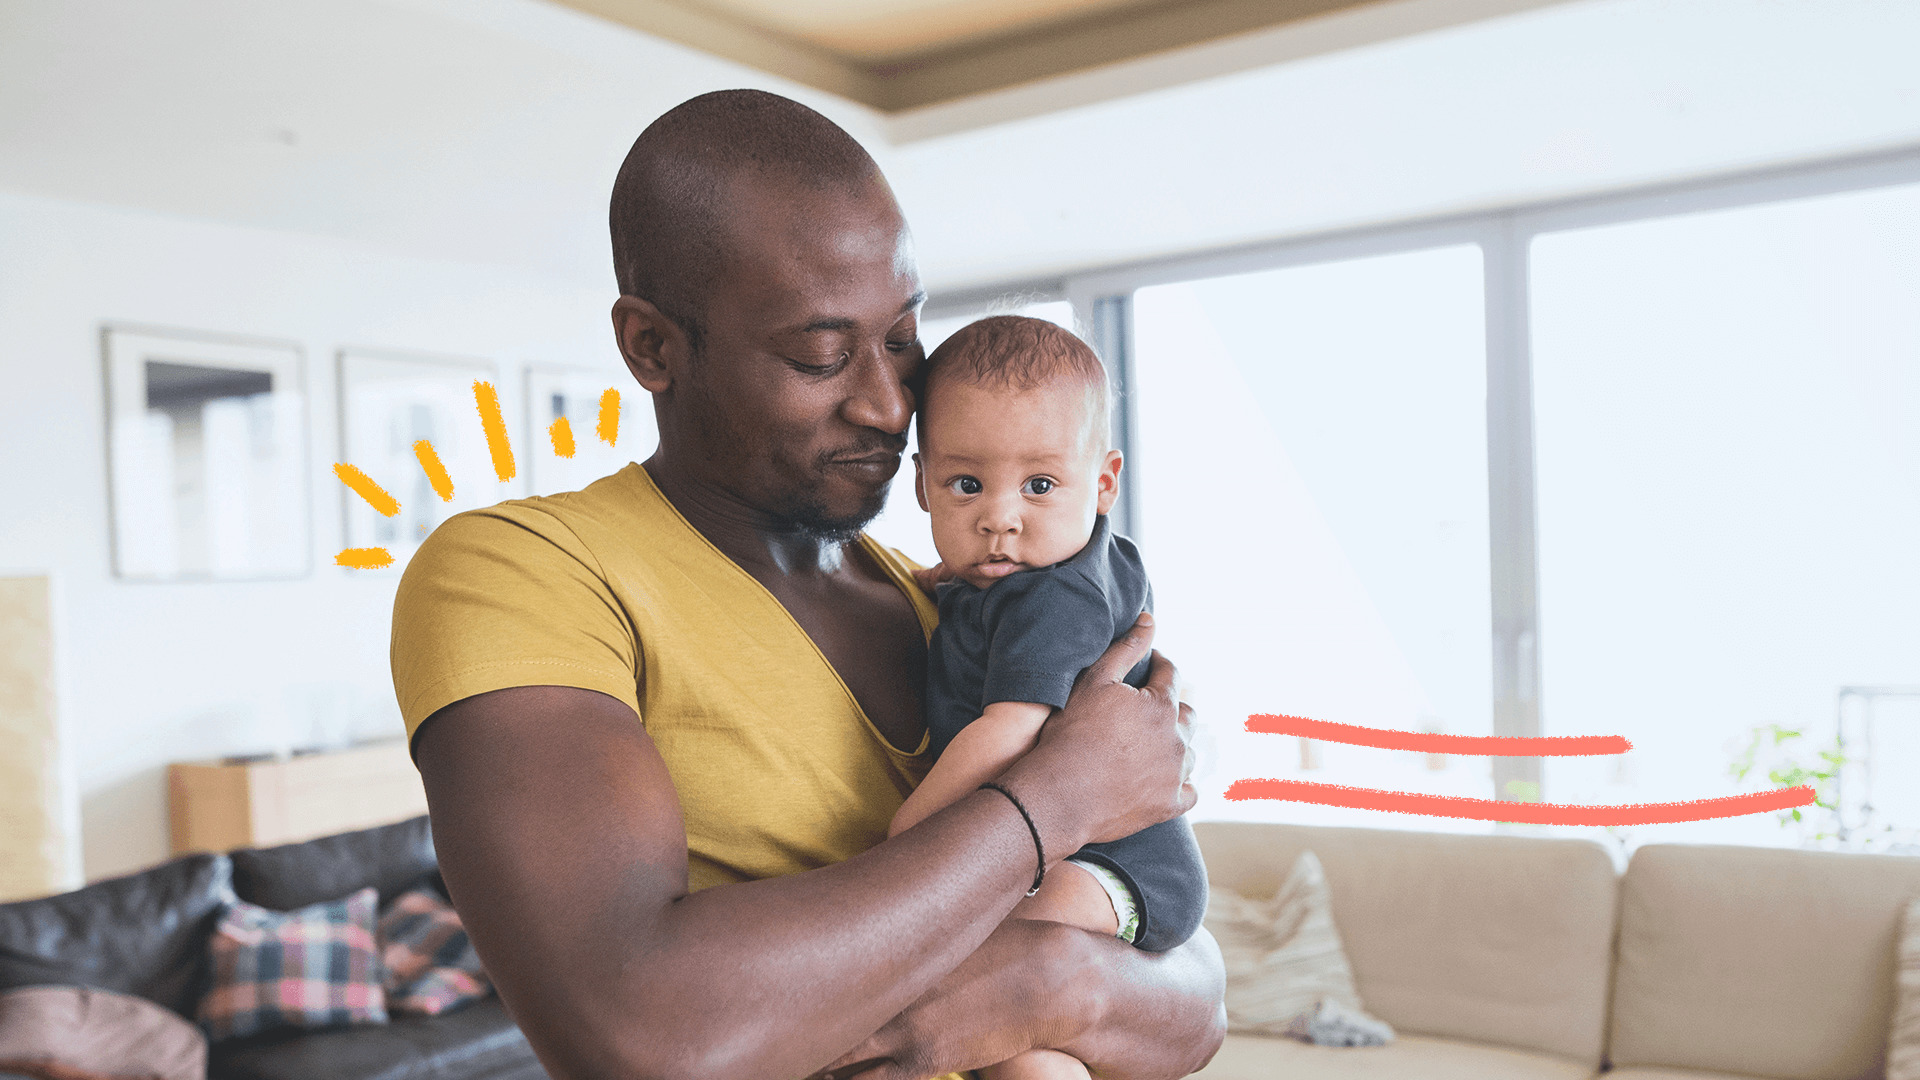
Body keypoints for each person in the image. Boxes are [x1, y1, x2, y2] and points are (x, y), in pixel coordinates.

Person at [392, 89, 1225, 1080]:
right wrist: (1055, 804)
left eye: (903, 341)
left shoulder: (953, 601)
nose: (885, 404)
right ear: (652, 346)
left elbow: (1197, 999)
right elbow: (642, 1032)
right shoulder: (528, 574)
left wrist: (1049, 983)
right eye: (821, 355)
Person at [889, 315, 1209, 1080]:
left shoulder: (1051, 598)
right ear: (923, 485)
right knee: (1019, 1049)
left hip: (1112, 866)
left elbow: (1008, 731)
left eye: (1039, 485)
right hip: (1088, 855)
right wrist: (946, 580)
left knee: (979, 973)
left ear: (1102, 484)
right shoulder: (1063, 563)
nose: (1000, 517)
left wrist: (905, 837)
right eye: (966, 485)